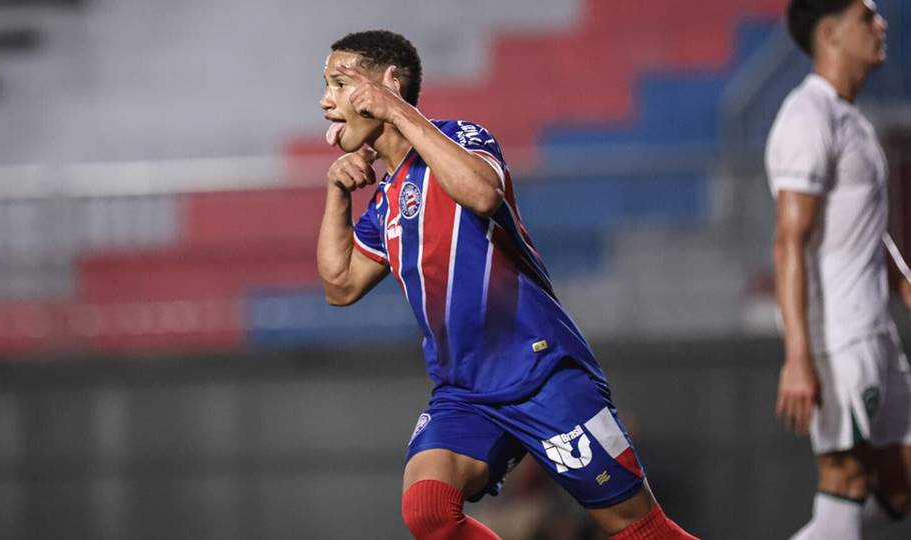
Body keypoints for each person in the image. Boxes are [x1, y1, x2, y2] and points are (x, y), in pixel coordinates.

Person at [316, 29, 697, 540]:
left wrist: (397, 111)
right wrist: (337, 194)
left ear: (390, 82)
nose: (326, 101)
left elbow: (480, 194)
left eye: (340, 84)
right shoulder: (385, 202)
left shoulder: (462, 139)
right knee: (428, 509)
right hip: (465, 390)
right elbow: (339, 285)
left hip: (540, 373)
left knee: (636, 528)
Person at [765, 1, 911, 538]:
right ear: (830, 32)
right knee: (845, 480)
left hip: (875, 332)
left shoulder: (849, 118)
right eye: (866, 16)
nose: (881, 24)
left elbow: (866, 223)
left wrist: (904, 282)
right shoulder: (807, 117)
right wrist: (799, 359)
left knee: (898, 491)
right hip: (840, 339)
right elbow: (788, 242)